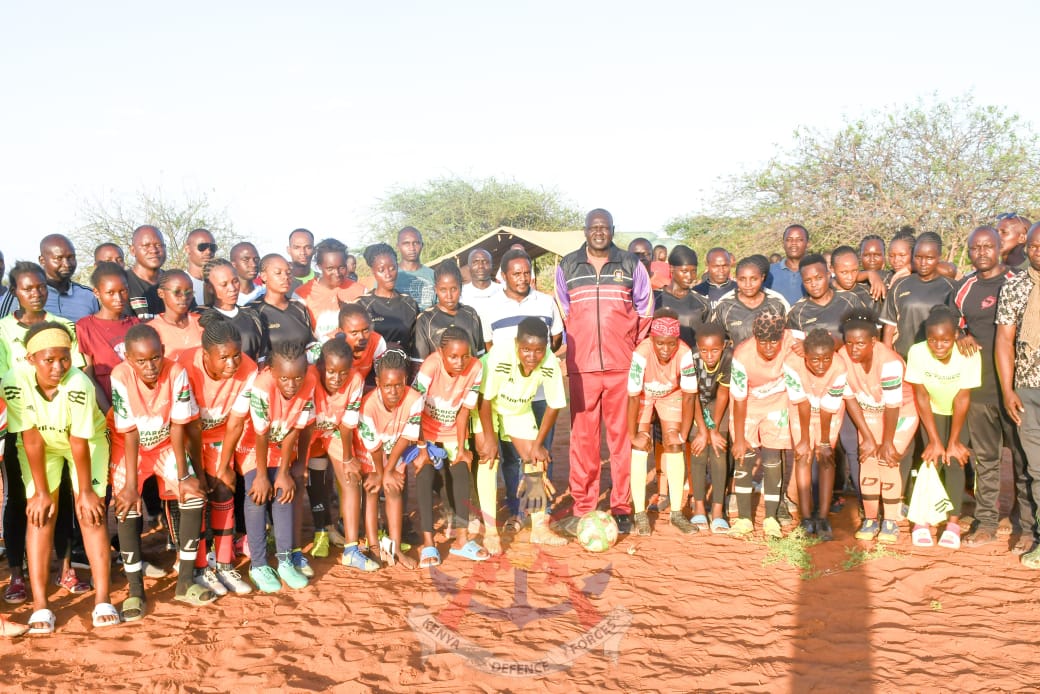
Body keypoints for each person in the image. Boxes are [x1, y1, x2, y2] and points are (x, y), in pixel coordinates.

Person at [6, 322, 118, 633]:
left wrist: (85, 491)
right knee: (40, 516)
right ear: (31, 359)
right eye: (49, 360)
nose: (58, 367)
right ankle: (41, 605)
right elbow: (30, 438)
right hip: (41, 444)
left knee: (90, 514)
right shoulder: (14, 381)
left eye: (64, 358)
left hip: (87, 442)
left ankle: (103, 599)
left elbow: (78, 441)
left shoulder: (80, 383)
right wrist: (41, 492)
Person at [109, 324, 217, 617]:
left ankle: (184, 583)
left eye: (155, 358)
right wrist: (131, 485)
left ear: (163, 353)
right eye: (141, 361)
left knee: (193, 495)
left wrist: (183, 476)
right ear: (128, 359)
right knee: (127, 506)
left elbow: (179, 425)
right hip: (129, 449)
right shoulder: (120, 376)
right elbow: (129, 433)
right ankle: (135, 591)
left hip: (165, 445)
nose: (150, 366)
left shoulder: (176, 371)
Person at [555, 209, 652, 535]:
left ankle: (622, 506)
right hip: (582, 368)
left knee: (620, 440)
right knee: (583, 441)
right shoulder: (567, 266)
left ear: (613, 230)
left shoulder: (631, 265)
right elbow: (564, 313)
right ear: (585, 230)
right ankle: (584, 505)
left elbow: (645, 310)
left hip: (621, 367)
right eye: (593, 227)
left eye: (605, 227)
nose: (599, 232)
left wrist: (631, 349)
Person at [0, 263, 87, 605]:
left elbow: (76, 372)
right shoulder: (4, 329)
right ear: (15, 292)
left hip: (61, 421)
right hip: (19, 423)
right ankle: (19, 573)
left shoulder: (63, 326)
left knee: (62, 494)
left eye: (40, 287)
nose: (35, 293)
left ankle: (65, 568)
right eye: (27, 288)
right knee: (20, 499)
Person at [951, 226, 1031, 548]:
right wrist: (960, 335)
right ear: (969, 252)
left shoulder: (1019, 284)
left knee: (1024, 461)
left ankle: (1026, 526)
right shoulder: (963, 289)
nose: (981, 252)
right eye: (975, 248)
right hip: (980, 389)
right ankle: (985, 520)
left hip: (1016, 389)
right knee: (985, 460)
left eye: (988, 246)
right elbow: (947, 323)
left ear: (1001, 248)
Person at [227, 341, 316, 592]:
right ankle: (258, 564)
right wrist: (263, 476)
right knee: (257, 494)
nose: (292, 385)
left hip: (280, 442)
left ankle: (286, 560)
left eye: (298, 377)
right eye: (285, 378)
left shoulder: (307, 385)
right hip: (254, 445)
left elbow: (292, 431)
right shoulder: (262, 388)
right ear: (272, 372)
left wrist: (285, 472)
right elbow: (261, 433)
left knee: (283, 492)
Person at [477, 318, 568, 549]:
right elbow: (484, 400)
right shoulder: (499, 356)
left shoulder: (549, 362)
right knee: (488, 459)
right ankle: (490, 533)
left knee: (536, 460)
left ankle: (538, 527)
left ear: (546, 347)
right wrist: (489, 437)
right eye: (526, 349)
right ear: (517, 343)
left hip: (517, 408)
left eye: (538, 350)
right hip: (487, 408)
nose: (532, 356)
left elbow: (555, 404)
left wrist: (538, 444)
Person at [184, 314, 258, 595]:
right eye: (224, 357)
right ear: (206, 355)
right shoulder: (186, 367)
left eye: (236, 356)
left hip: (220, 437)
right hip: (187, 440)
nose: (232, 364)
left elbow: (236, 421)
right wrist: (200, 474)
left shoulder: (248, 369)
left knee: (225, 490)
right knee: (197, 496)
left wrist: (225, 464)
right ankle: (202, 567)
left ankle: (225, 564)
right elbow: (188, 426)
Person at [728, 310, 809, 539]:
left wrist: (809, 345)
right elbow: (740, 399)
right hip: (749, 405)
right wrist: (741, 438)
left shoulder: (792, 339)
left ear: (781, 336)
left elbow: (826, 337)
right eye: (763, 342)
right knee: (744, 458)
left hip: (778, 404)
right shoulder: (742, 355)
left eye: (774, 341)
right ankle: (744, 518)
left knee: (773, 459)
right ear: (755, 338)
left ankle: (771, 517)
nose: (769, 347)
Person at [904, 306, 980, 549]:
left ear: (956, 335)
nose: (938, 345)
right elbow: (922, 395)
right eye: (932, 340)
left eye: (945, 340)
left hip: (959, 413)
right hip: (932, 411)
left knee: (955, 460)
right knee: (930, 459)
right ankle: (923, 520)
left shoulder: (968, 354)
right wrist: (936, 441)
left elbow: (962, 398)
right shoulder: (917, 352)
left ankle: (953, 523)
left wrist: (953, 442)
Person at [412, 326, 488, 566]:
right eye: (453, 356)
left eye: (465, 356)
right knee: (424, 474)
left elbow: (464, 411)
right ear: (441, 353)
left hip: (452, 430)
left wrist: (463, 447)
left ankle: (462, 541)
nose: (460, 362)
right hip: (423, 430)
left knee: (461, 471)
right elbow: (414, 408)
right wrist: (423, 447)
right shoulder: (430, 367)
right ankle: (428, 545)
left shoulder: (476, 367)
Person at [842, 310, 919, 544]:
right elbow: (850, 399)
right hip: (868, 411)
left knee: (887, 459)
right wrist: (866, 437)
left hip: (900, 412)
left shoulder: (890, 363)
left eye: (860, 344)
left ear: (873, 342)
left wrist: (886, 442)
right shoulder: (841, 358)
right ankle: (871, 518)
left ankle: (891, 521)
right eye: (849, 343)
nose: (854, 349)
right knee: (867, 459)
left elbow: (893, 406)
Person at [626, 309, 699, 536]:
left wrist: (683, 435)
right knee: (640, 445)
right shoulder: (641, 353)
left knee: (674, 444)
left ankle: (676, 513)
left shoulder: (685, 353)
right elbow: (633, 396)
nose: (665, 349)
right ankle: (640, 514)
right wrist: (632, 435)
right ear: (652, 340)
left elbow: (689, 396)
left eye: (670, 344)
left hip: (671, 395)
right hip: (644, 396)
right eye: (660, 344)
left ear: (677, 340)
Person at [305, 337, 376, 570]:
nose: (337, 378)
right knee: (310, 479)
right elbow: (302, 424)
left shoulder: (355, 380)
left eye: (342, 372)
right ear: (321, 366)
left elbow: (347, 424)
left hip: (334, 431)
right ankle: (317, 534)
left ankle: (351, 549)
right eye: (331, 371)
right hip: (307, 434)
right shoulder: (310, 377)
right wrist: (299, 460)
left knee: (351, 478)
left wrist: (347, 458)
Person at [995, 221, 1040, 567]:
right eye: (1035, 246)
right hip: (1027, 388)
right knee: (1036, 469)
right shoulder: (1016, 286)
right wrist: (1009, 388)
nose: (1038, 251)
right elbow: (1005, 342)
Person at [356, 349, 424, 568]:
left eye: (398, 385)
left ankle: (395, 548)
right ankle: (374, 547)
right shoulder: (368, 406)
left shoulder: (414, 399)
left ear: (405, 379)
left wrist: (391, 470)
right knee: (372, 489)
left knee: (394, 488)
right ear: (377, 382)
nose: (394, 391)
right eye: (387, 386)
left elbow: (406, 437)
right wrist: (380, 472)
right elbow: (373, 446)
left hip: (396, 449)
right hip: (370, 452)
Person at [785, 328, 847, 541]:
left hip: (828, 413)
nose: (821, 366)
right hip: (801, 410)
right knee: (803, 456)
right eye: (815, 360)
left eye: (826, 359)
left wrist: (823, 442)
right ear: (805, 356)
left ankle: (822, 517)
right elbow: (801, 402)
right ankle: (805, 517)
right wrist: (804, 440)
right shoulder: (792, 363)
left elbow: (829, 407)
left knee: (826, 458)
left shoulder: (839, 366)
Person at [76, 262, 140, 411]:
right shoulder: (85, 327)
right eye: (110, 293)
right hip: (105, 405)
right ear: (97, 293)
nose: (118, 298)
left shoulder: (136, 325)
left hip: (138, 405)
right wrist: (110, 413)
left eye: (123, 291)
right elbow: (89, 376)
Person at [881, 233, 956, 358]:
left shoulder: (951, 287)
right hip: (905, 357)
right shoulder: (899, 285)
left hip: (940, 359)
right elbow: (889, 327)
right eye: (918, 257)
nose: (923, 263)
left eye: (929, 258)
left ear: (939, 257)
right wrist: (887, 358)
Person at [688, 323, 732, 533]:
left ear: (723, 346)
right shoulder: (691, 360)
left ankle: (717, 509)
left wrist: (714, 430)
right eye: (704, 350)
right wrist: (703, 431)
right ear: (697, 347)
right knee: (698, 448)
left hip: (718, 405)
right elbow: (692, 395)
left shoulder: (728, 359)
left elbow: (723, 393)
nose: (710, 355)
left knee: (718, 449)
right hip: (693, 403)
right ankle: (698, 506)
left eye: (715, 350)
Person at [293, 238, 364, 344]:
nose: (337, 273)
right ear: (319, 266)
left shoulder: (360, 291)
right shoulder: (302, 295)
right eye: (330, 268)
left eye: (341, 267)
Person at [201, 259, 270, 367]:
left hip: (250, 380)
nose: (232, 288)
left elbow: (262, 357)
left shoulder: (253, 315)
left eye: (235, 281)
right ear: (210, 288)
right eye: (224, 284)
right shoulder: (200, 317)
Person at [355, 243, 419, 358]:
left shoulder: (410, 304)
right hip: (371, 373)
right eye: (381, 270)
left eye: (392, 268)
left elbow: (416, 345)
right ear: (373, 271)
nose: (388, 274)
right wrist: (384, 348)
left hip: (404, 372)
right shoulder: (362, 305)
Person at [711, 254, 789, 346]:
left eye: (754, 279)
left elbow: (788, 338)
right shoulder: (724, 306)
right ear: (736, 279)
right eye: (742, 279)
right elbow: (715, 342)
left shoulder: (777, 305)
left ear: (762, 278)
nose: (748, 284)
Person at [786, 253, 860, 351]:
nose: (814, 284)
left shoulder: (850, 300)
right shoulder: (796, 312)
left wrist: (836, 342)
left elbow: (866, 335)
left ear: (828, 275)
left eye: (819, 278)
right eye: (808, 280)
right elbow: (793, 346)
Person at [414, 260, 483, 360]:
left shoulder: (471, 314)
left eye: (454, 289)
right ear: (436, 290)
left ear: (461, 287)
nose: (449, 296)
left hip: (470, 375)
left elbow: (480, 355)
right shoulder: (425, 320)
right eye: (443, 290)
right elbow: (420, 363)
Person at [249, 254, 315, 352]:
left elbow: (311, 345)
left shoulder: (299, 307)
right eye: (278, 273)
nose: (285, 277)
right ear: (263, 276)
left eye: (288, 273)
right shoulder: (253, 311)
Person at [656, 245, 711, 348]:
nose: (690, 277)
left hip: (692, 361)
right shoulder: (656, 299)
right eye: (684, 271)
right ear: (672, 269)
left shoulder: (702, 303)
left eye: (693, 271)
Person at [39, 234, 99, 324]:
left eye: (71, 257)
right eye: (58, 258)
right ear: (42, 261)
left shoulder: (89, 296)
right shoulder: (25, 295)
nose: (67, 264)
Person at [148, 270, 203, 363]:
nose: (184, 297)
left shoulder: (201, 322)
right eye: (177, 292)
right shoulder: (152, 330)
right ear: (161, 293)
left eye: (188, 293)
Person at [460, 248, 503, 346]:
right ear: (469, 266)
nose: (480, 266)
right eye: (475, 262)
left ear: (492, 266)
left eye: (485, 262)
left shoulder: (503, 291)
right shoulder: (461, 294)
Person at [338, 303, 387, 385]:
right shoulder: (329, 346)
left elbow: (383, 376)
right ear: (341, 332)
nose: (361, 337)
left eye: (365, 330)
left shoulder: (377, 342)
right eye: (354, 333)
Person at [126, 225, 167, 320]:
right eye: (146, 246)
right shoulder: (123, 283)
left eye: (158, 245)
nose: (153, 250)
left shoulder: (175, 281)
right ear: (133, 250)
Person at [765, 224, 809, 305]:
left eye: (799, 239)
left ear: (808, 243)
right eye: (789, 239)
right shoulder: (769, 271)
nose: (794, 243)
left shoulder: (815, 272)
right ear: (783, 243)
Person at [394, 227, 435, 311]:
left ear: (422, 245)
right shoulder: (388, 276)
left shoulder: (433, 275)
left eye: (416, 243)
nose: (412, 248)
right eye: (406, 243)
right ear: (398, 247)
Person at [183, 228, 217, 302]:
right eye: (202, 247)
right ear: (187, 249)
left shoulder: (222, 284)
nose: (208, 251)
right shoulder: (179, 283)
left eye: (212, 247)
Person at [230, 242, 265, 306]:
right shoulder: (225, 297)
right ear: (233, 264)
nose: (254, 264)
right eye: (246, 260)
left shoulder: (265, 294)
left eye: (256, 259)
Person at [287, 228, 317, 294]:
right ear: (288, 250)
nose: (302, 252)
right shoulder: (282, 283)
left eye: (308, 247)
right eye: (297, 248)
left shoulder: (323, 282)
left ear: (314, 250)